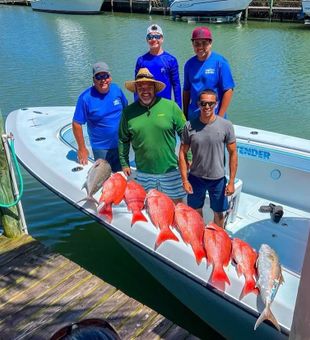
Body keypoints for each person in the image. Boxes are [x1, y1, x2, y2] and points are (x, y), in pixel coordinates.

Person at [118, 67, 186, 203]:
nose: (145, 91)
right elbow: (123, 139)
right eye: (140, 87)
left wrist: (188, 158)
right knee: (150, 209)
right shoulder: (128, 112)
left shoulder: (171, 107)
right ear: (136, 90)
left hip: (170, 170)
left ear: (155, 88)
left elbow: (186, 134)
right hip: (143, 173)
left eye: (149, 86)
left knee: (178, 207)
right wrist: (124, 163)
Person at [179, 89, 238, 228]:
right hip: (195, 178)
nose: (207, 107)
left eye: (211, 104)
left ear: (216, 104)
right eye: (204, 103)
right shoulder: (189, 126)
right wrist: (184, 180)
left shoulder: (226, 126)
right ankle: (200, 234)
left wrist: (231, 182)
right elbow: (182, 152)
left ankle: (218, 238)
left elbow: (233, 153)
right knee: (195, 210)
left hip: (217, 179)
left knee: (218, 213)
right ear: (198, 104)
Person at [72, 62, 128, 172]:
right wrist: (82, 148)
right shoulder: (85, 98)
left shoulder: (117, 90)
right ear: (94, 79)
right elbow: (76, 123)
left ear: (110, 77)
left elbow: (126, 110)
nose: (103, 80)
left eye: (105, 76)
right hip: (101, 148)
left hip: (120, 144)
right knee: (103, 178)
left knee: (121, 176)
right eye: (99, 77)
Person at [183, 26, 235, 120]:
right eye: (197, 44)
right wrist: (185, 114)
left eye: (204, 43)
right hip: (194, 116)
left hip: (214, 115)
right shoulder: (189, 64)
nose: (200, 47)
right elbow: (186, 90)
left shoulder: (220, 62)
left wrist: (220, 117)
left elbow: (228, 90)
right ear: (192, 44)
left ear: (210, 43)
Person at [134, 24, 182, 109]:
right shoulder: (141, 61)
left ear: (162, 39)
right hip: (145, 106)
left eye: (157, 36)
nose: (153, 39)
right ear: (146, 40)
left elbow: (176, 85)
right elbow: (136, 86)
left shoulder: (171, 60)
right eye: (150, 37)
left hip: (165, 106)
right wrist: (136, 106)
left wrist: (178, 108)